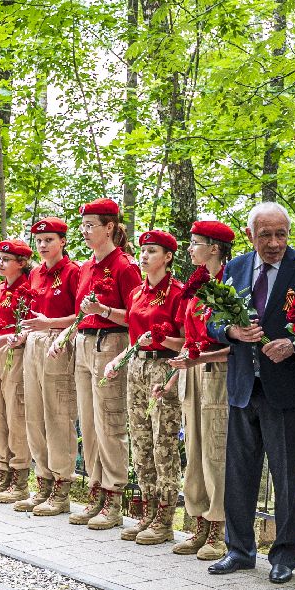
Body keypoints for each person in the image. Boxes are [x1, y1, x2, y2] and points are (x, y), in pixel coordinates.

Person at [208, 202, 295, 583]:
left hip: (288, 388)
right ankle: (239, 550)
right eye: (266, 235)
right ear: (250, 235)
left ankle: (285, 556)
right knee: (240, 474)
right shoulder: (237, 268)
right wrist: (231, 333)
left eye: (282, 234)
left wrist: (293, 342)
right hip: (245, 386)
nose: (275, 243)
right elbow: (213, 319)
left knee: (288, 475)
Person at [109, 229, 186, 545]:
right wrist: (119, 359)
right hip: (137, 366)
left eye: (152, 251)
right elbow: (133, 334)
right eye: (142, 251)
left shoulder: (178, 292)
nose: (144, 257)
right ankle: (148, 511)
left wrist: (161, 339)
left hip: (163, 366)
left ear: (168, 257)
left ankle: (165, 519)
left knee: (162, 442)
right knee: (140, 442)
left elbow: (185, 341)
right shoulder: (137, 293)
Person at [68, 198, 141, 529]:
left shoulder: (125, 266)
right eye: (82, 225)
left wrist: (104, 312)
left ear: (110, 227)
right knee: (89, 424)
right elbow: (80, 312)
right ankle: (95, 491)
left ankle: (114, 496)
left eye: (90, 225)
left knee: (110, 423)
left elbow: (139, 318)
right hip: (84, 343)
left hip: (111, 343)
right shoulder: (85, 267)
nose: (84, 231)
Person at [170, 220, 234, 560]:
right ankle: (199, 523)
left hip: (216, 372)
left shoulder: (230, 285)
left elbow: (235, 341)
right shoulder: (197, 285)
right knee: (193, 449)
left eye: (196, 243)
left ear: (214, 248)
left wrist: (199, 358)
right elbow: (188, 336)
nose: (190, 249)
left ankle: (218, 529)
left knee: (214, 449)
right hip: (191, 371)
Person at [17, 217, 82, 514]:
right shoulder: (35, 274)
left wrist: (48, 324)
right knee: (34, 414)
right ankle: (41, 479)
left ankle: (62, 485)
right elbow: (33, 314)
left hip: (59, 342)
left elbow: (80, 317)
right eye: (39, 241)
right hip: (34, 342)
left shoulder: (73, 272)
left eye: (49, 240)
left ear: (63, 242)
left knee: (58, 415)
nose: (43, 246)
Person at [0, 239, 34, 503]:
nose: (0, 263)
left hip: (15, 353)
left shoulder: (28, 287)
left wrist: (8, 338)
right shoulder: (0, 288)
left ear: (21, 263)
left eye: (7, 259)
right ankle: (1, 473)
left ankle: (20, 478)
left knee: (16, 414)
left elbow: (28, 325)